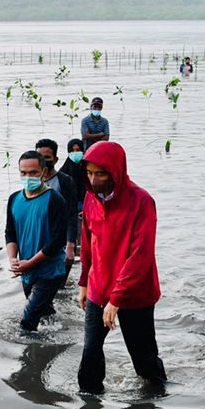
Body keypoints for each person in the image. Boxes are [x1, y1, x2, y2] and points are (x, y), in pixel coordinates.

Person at [76, 141, 164, 392]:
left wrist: (117, 298)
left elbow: (141, 255)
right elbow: (88, 242)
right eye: (90, 173)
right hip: (98, 287)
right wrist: (84, 282)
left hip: (135, 293)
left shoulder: (141, 201)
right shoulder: (91, 198)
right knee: (90, 353)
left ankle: (156, 401)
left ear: (116, 171)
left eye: (101, 174)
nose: (94, 180)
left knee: (143, 359)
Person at [6, 151, 72, 332]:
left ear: (43, 172)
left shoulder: (55, 200)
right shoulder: (14, 199)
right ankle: (57, 339)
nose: (28, 177)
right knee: (44, 313)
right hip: (26, 269)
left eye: (33, 173)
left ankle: (29, 357)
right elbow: (10, 233)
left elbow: (58, 240)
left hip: (50, 271)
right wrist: (14, 260)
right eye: (23, 173)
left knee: (27, 322)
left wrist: (30, 263)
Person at [35, 138, 78, 265]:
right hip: (39, 237)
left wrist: (71, 244)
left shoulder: (65, 181)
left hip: (60, 238)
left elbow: (72, 214)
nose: (43, 160)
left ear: (55, 159)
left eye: (47, 157)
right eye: (39, 156)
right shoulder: (32, 182)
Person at [60, 138, 89, 213]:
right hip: (68, 205)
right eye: (72, 151)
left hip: (86, 203)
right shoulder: (64, 170)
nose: (75, 153)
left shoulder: (89, 168)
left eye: (78, 150)